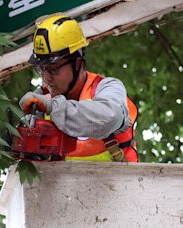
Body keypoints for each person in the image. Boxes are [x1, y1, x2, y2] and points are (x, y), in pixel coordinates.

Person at [19, 13, 138, 162]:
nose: (46, 77)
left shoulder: (108, 87)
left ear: (77, 63)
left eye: (53, 68)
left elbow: (111, 117)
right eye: (41, 69)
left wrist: (53, 106)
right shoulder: (39, 101)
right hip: (63, 184)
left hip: (124, 183)